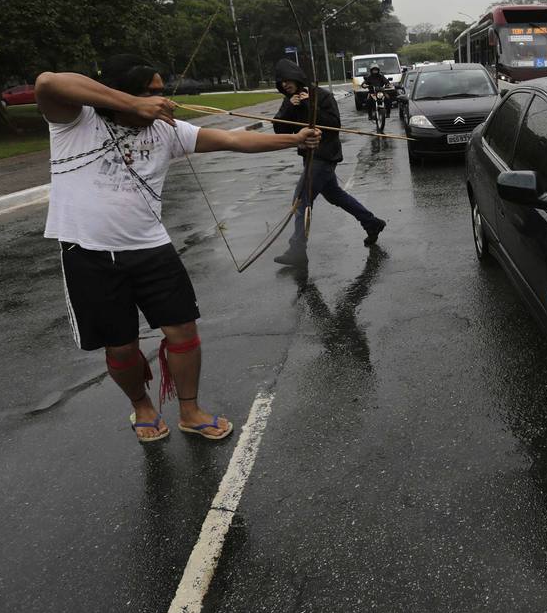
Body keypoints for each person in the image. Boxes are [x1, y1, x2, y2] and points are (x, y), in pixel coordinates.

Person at [36, 54, 321, 443]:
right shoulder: (73, 123)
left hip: (151, 247)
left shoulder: (167, 130)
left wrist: (294, 138)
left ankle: (190, 409)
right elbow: (48, 81)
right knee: (121, 348)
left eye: (161, 92)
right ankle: (142, 406)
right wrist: (132, 105)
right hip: (89, 252)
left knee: (183, 332)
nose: (163, 100)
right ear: (121, 93)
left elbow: (234, 140)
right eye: (152, 93)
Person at [271, 59, 386, 268]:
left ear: (297, 78)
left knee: (301, 200)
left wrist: (309, 104)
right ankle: (371, 222)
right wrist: (289, 106)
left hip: (324, 157)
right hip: (309, 158)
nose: (286, 85)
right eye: (282, 82)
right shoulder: (290, 100)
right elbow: (279, 129)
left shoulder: (321, 96)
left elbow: (334, 125)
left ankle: (297, 251)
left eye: (288, 80)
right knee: (335, 195)